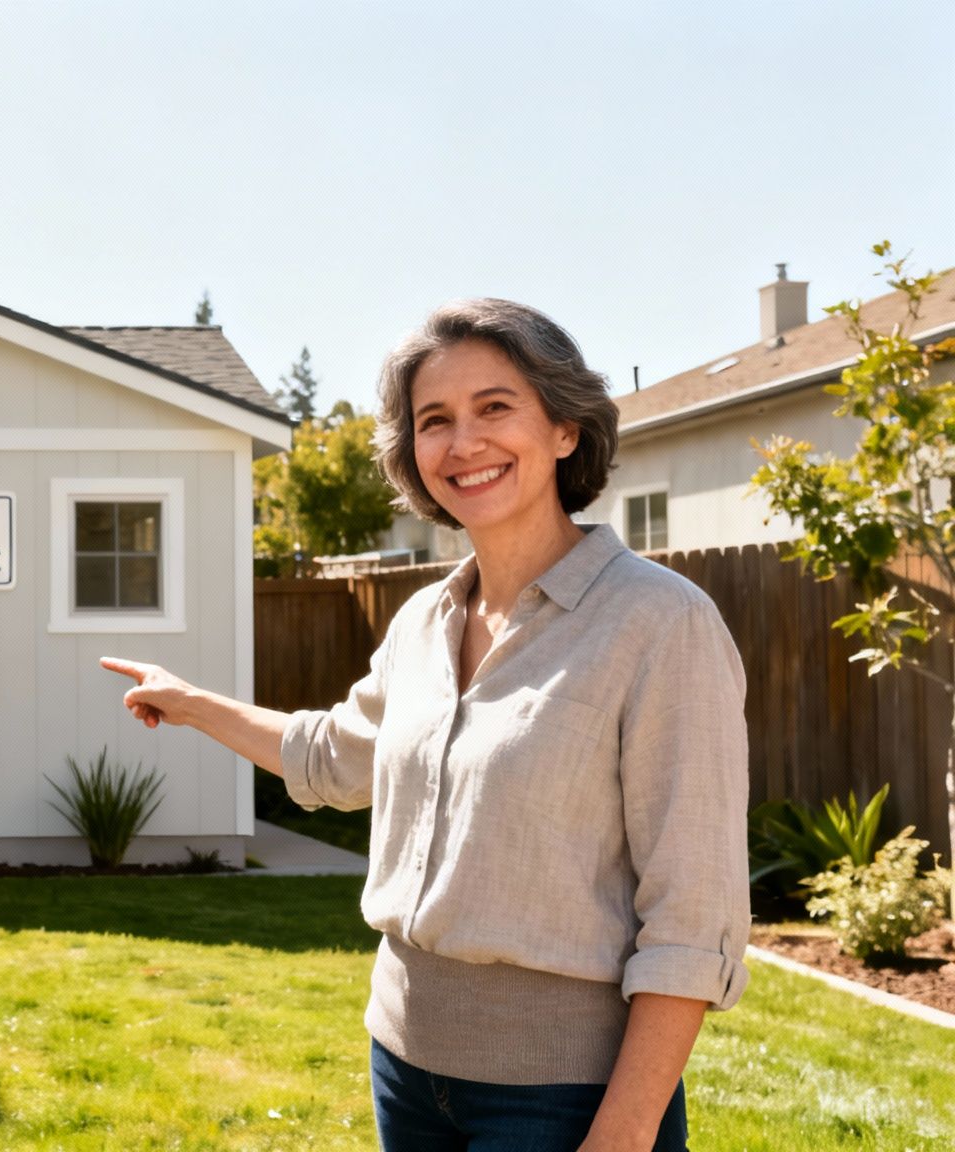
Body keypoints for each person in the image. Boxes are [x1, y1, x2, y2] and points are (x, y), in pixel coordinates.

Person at [103, 299, 748, 1152]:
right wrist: (190, 701)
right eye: (433, 420)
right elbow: (333, 758)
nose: (463, 443)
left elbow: (693, 917)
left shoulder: (660, 623)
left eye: (495, 407)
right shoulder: (422, 622)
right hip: (405, 1069)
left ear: (563, 428)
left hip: (561, 1096)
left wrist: (623, 1136)